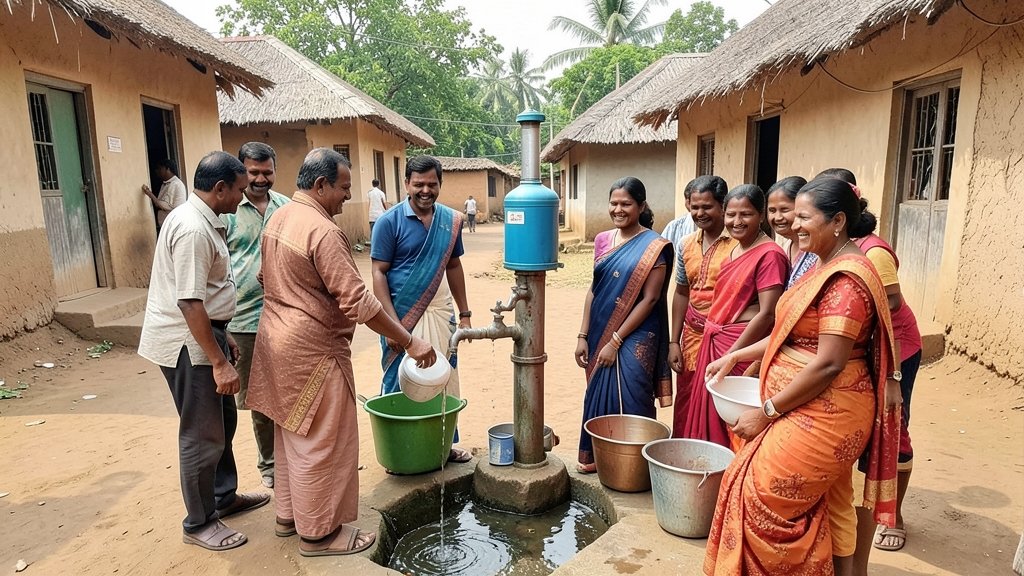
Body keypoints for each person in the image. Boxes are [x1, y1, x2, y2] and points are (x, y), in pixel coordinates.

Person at [702, 177, 901, 576]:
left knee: (763, 497)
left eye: (804, 218)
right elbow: (791, 334)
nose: (793, 226)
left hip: (829, 412)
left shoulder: (845, 281)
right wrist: (738, 354)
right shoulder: (822, 264)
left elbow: (827, 363)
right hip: (801, 404)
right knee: (826, 501)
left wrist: (767, 411)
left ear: (839, 220)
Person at [246, 148, 437, 556]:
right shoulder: (323, 230)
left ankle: (289, 517)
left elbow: (264, 277)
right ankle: (319, 534)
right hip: (314, 351)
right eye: (344, 188)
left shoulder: (277, 217)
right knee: (324, 441)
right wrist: (409, 340)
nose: (348, 196)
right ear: (320, 185)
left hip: (274, 341)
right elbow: (359, 303)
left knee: (290, 433)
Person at [138, 151, 270, 552]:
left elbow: (207, 298)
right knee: (201, 435)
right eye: (239, 190)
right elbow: (190, 302)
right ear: (220, 188)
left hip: (204, 333)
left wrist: (221, 333)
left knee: (223, 423)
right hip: (186, 345)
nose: (242, 197)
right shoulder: (194, 229)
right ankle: (199, 523)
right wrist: (217, 360)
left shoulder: (201, 219)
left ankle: (222, 497)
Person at [371, 155, 473, 464]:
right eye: (418, 184)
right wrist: (393, 326)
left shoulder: (450, 221)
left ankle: (443, 444)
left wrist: (465, 313)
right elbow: (378, 273)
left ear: (440, 184)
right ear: (406, 184)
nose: (425, 191)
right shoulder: (390, 222)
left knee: (443, 378)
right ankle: (400, 449)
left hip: (441, 314)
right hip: (401, 317)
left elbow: (454, 266)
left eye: (432, 184)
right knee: (398, 380)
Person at [574, 177, 673, 474]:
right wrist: (582, 335)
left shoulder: (655, 247)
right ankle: (597, 457)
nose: (618, 209)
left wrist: (615, 341)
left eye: (626, 204)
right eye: (614, 203)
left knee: (633, 393)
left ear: (640, 206)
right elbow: (594, 290)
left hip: (637, 333)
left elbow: (651, 299)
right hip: (600, 328)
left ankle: (637, 466)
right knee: (597, 392)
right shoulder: (603, 240)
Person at [679, 184, 788, 449]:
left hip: (740, 344)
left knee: (734, 422)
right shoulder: (733, 251)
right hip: (716, 342)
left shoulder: (770, 254)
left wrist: (732, 356)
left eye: (746, 214)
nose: (736, 222)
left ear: (760, 215)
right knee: (710, 416)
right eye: (731, 215)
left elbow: (767, 314)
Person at [221, 142, 289, 489]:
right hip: (245, 321)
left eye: (267, 172)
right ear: (240, 171)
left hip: (286, 317)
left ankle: (292, 459)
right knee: (258, 399)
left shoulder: (287, 208)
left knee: (289, 391)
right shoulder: (227, 210)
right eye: (253, 172)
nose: (261, 179)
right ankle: (270, 464)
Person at [666, 175, 736, 437]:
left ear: (723, 206)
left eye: (706, 207)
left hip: (727, 340)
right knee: (687, 398)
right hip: (692, 338)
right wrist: (674, 341)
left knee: (721, 401)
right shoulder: (685, 244)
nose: (699, 213)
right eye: (694, 207)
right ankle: (686, 457)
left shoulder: (740, 244)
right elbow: (682, 292)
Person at [766, 175, 814, 288]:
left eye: (784, 210)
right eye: (772, 211)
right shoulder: (786, 245)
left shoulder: (815, 249)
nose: (777, 217)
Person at [142, 158, 188, 229]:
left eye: (160, 169)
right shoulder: (166, 184)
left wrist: (150, 194)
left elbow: (165, 205)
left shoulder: (175, 184)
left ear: (168, 169)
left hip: (173, 225)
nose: (158, 172)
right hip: (168, 225)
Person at [660, 178, 698, 250]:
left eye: (707, 206)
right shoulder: (673, 228)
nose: (700, 213)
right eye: (696, 206)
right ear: (687, 203)